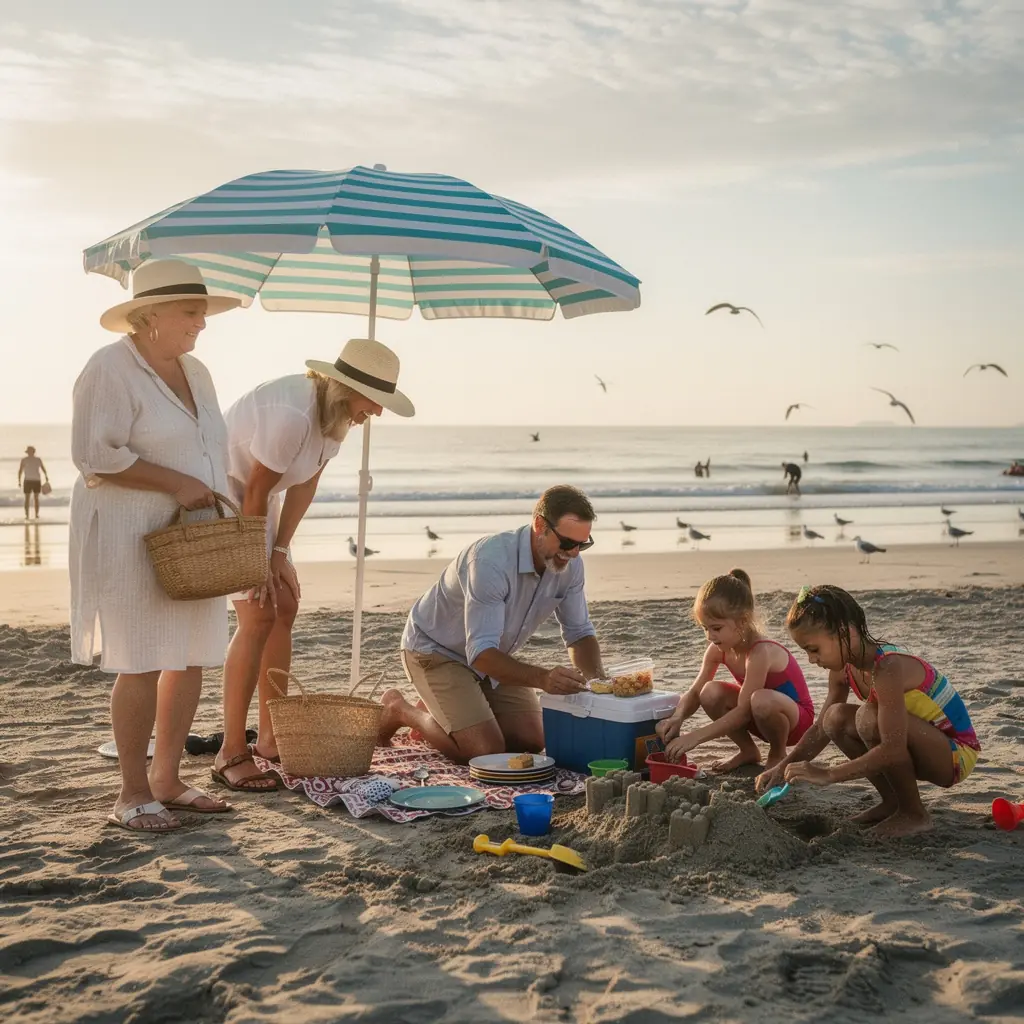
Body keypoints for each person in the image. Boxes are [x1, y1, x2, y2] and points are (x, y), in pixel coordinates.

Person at [70, 259, 242, 832]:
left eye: (202, 312)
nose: (201, 322)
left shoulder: (198, 371)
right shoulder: (109, 369)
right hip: (130, 533)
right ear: (149, 316)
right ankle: (131, 792)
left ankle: (168, 779)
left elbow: (211, 450)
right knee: (141, 657)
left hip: (192, 540)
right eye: (191, 312)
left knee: (189, 654)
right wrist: (176, 483)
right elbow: (97, 455)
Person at [212, 338, 414, 792]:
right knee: (258, 611)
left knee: (285, 605)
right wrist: (256, 561)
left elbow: (303, 486)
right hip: (227, 495)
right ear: (348, 388)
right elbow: (255, 490)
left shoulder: (335, 418)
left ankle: (270, 739)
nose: (377, 414)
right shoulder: (294, 414)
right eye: (375, 402)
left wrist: (280, 553)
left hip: (261, 501)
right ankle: (230, 750)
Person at [379, 485, 607, 762]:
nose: (574, 554)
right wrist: (543, 678)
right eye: (568, 543)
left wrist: (600, 686)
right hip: (435, 651)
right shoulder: (490, 561)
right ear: (539, 526)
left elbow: (580, 634)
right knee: (484, 752)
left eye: (583, 544)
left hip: (492, 657)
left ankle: (449, 709)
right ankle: (400, 709)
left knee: (532, 742)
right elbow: (481, 652)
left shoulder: (570, 565)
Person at [756, 585, 981, 838]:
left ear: (844, 632)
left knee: (868, 718)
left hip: (954, 755)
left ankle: (914, 813)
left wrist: (828, 774)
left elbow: (893, 748)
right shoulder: (843, 670)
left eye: (814, 649)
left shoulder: (888, 667)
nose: (811, 659)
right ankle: (893, 802)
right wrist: (782, 767)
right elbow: (821, 728)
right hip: (918, 743)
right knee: (835, 717)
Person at [656, 569, 814, 772]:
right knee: (710, 692)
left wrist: (695, 737)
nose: (709, 636)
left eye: (716, 628)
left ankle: (777, 753)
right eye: (705, 628)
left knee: (760, 699)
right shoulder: (717, 650)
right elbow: (695, 692)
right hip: (758, 715)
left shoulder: (760, 652)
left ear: (742, 621)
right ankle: (748, 751)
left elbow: (742, 712)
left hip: (795, 721)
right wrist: (678, 718)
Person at [18, 446, 49, 519]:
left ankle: (34, 514)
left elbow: (43, 468)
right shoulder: (26, 460)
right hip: (32, 480)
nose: (29, 453)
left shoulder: (34, 459)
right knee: (30, 498)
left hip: (34, 481)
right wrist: (19, 480)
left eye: (29, 451)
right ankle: (29, 515)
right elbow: (20, 470)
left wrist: (46, 476)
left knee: (33, 498)